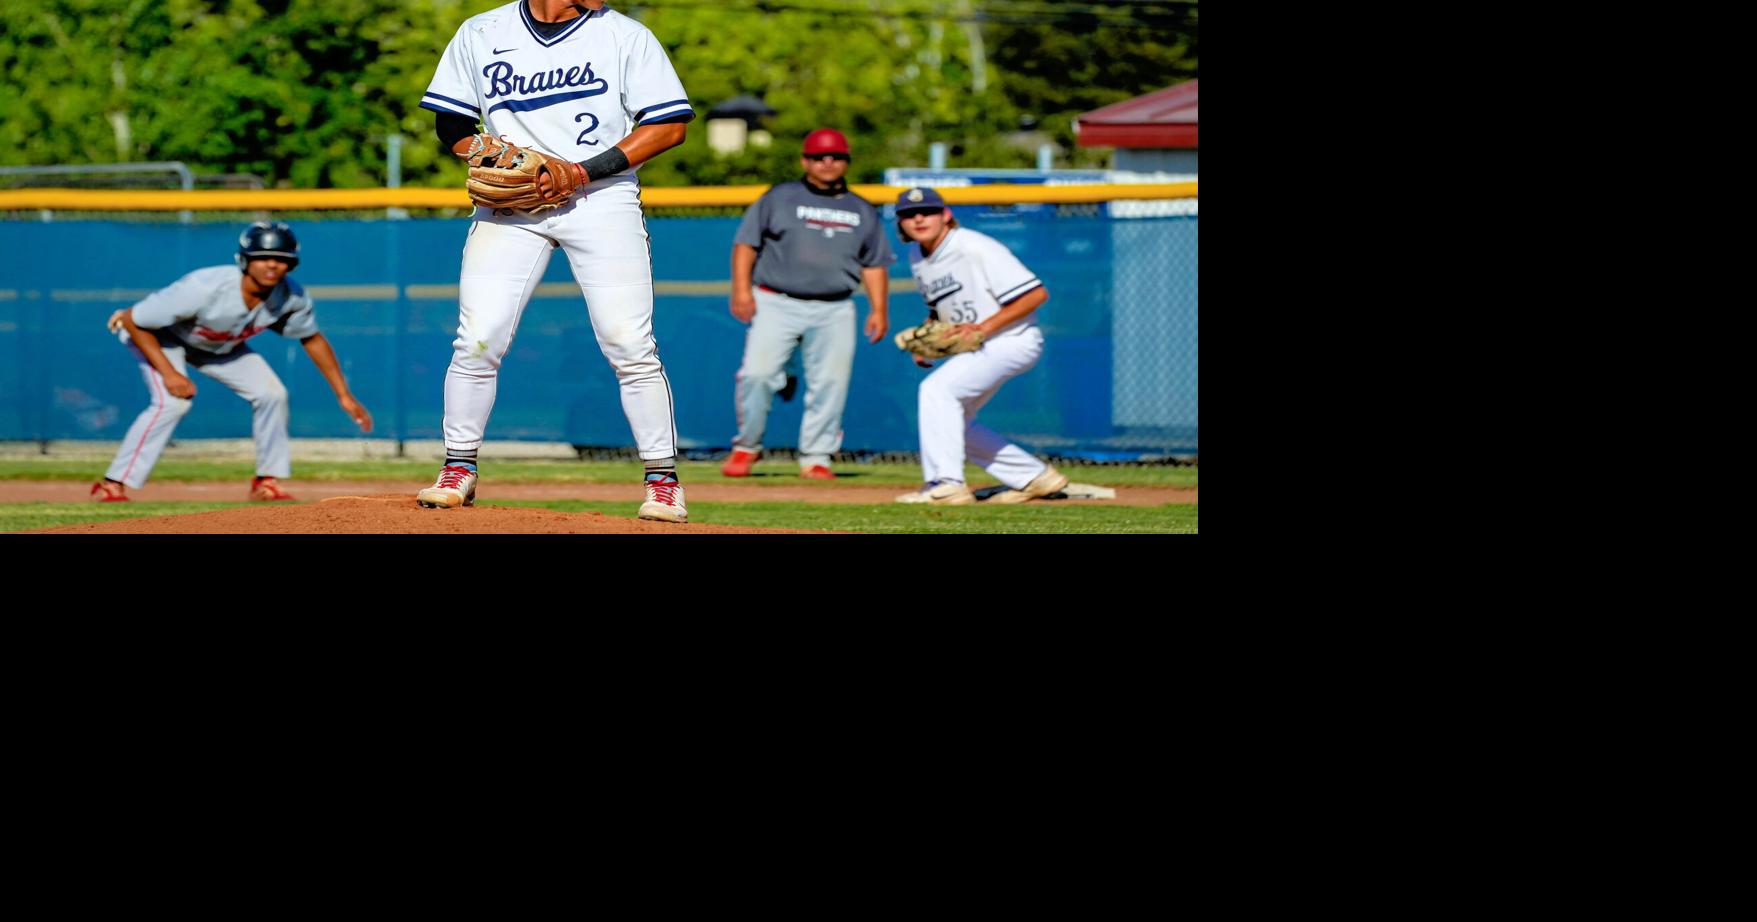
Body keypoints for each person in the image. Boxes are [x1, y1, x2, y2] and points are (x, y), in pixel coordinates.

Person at [415, 0, 693, 521]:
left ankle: (662, 481)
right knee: (477, 338)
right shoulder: (482, 31)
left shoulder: (625, 36)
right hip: (512, 205)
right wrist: (484, 153)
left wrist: (582, 172)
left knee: (629, 343)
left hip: (601, 198)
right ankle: (458, 467)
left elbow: (670, 126)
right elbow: (450, 118)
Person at [89, 222, 373, 503]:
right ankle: (112, 485)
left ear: (292, 265)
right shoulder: (205, 287)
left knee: (272, 394)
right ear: (245, 260)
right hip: (160, 338)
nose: (272, 265)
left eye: (281, 259)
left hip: (217, 345)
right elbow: (133, 321)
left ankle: (267, 482)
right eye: (262, 258)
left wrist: (344, 395)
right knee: (172, 403)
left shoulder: (290, 297)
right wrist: (169, 374)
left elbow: (312, 338)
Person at [721, 128, 893, 479]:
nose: (827, 162)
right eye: (819, 157)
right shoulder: (779, 197)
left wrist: (879, 309)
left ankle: (817, 456)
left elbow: (874, 264)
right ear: (805, 161)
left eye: (835, 157)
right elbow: (745, 245)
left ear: (846, 162)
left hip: (836, 306)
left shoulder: (861, 208)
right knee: (757, 374)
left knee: (830, 382)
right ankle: (746, 446)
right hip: (776, 300)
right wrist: (741, 290)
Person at [891, 187, 1069, 505]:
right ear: (900, 223)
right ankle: (1034, 477)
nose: (918, 218)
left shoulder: (974, 247)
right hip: (983, 347)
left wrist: (983, 328)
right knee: (950, 421)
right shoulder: (918, 256)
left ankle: (945, 484)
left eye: (928, 211)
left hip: (1012, 340)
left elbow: (1036, 294)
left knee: (937, 391)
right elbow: (941, 307)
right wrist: (928, 337)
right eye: (908, 214)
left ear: (946, 215)